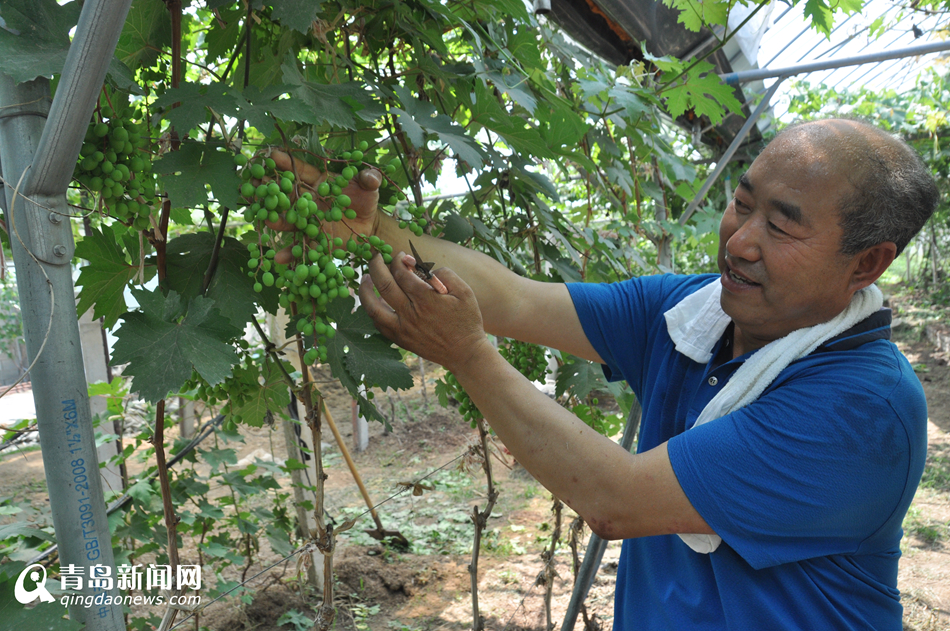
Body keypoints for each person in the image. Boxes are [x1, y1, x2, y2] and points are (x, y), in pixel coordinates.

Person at [274, 118, 940, 630]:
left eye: (782, 226)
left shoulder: (865, 411)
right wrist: (376, 231)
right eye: (742, 202)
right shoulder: (692, 311)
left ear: (866, 265)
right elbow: (516, 298)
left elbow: (616, 497)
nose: (739, 238)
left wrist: (468, 354)